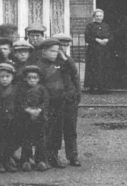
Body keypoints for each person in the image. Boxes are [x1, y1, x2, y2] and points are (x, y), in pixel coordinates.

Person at [36, 39, 67, 168]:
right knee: (45, 131)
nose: (55, 53)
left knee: (57, 130)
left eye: (56, 51)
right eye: (52, 51)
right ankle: (42, 158)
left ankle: (54, 155)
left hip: (59, 101)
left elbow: (69, 72)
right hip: (47, 103)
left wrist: (64, 58)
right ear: (44, 51)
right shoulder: (39, 66)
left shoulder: (59, 64)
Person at [52, 33, 82, 167]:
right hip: (56, 99)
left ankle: (73, 155)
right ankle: (53, 155)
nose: (63, 48)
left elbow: (75, 78)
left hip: (70, 98)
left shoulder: (69, 61)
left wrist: (77, 95)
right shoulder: (52, 61)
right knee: (55, 129)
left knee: (70, 129)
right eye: (61, 46)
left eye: (65, 45)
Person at [16, 65, 49, 172]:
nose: (32, 80)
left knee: (41, 140)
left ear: (38, 79)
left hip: (39, 118)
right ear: (25, 79)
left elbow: (46, 101)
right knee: (27, 139)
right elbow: (19, 102)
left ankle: (40, 160)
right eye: (29, 78)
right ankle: (25, 160)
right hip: (26, 117)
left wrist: (39, 109)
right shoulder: (22, 89)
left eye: (35, 78)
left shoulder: (42, 89)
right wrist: (28, 110)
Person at [0, 63, 19, 173]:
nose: (5, 79)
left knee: (11, 140)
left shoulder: (15, 89)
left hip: (12, 118)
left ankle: (7, 160)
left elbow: (19, 103)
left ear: (12, 77)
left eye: (8, 76)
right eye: (2, 76)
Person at [84, 9, 112, 94]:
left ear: (103, 17)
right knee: (93, 68)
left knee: (103, 67)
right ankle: (93, 87)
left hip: (104, 50)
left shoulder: (106, 26)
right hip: (93, 50)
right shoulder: (90, 26)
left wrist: (107, 39)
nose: (98, 18)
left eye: (100, 16)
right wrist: (96, 40)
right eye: (97, 16)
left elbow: (111, 36)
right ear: (94, 17)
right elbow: (87, 38)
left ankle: (102, 87)